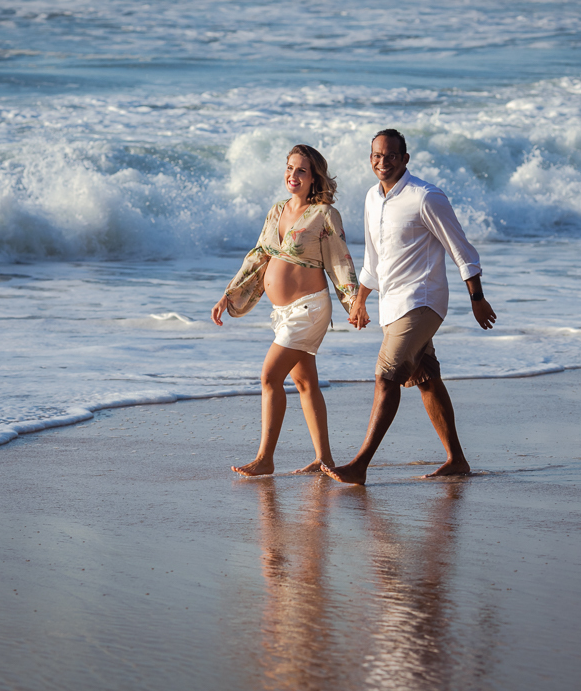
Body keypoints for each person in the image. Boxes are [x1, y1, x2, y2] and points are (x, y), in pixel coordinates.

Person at [322, 128, 496, 485]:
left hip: (423, 300)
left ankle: (359, 466)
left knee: (386, 377)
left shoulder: (426, 197)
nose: (381, 162)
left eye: (389, 156)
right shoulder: (372, 198)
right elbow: (374, 257)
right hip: (392, 303)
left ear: (405, 159)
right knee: (427, 379)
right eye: (375, 156)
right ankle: (457, 460)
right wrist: (360, 299)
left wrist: (477, 298)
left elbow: (462, 250)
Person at [212, 144, 359, 476]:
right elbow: (258, 256)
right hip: (282, 313)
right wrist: (228, 294)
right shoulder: (277, 210)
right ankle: (325, 459)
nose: (293, 176)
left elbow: (340, 260)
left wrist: (354, 303)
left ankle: (265, 459)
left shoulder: (324, 214)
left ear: (313, 177)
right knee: (306, 383)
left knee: (269, 377)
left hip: (309, 308)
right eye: (290, 168)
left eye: (301, 171)